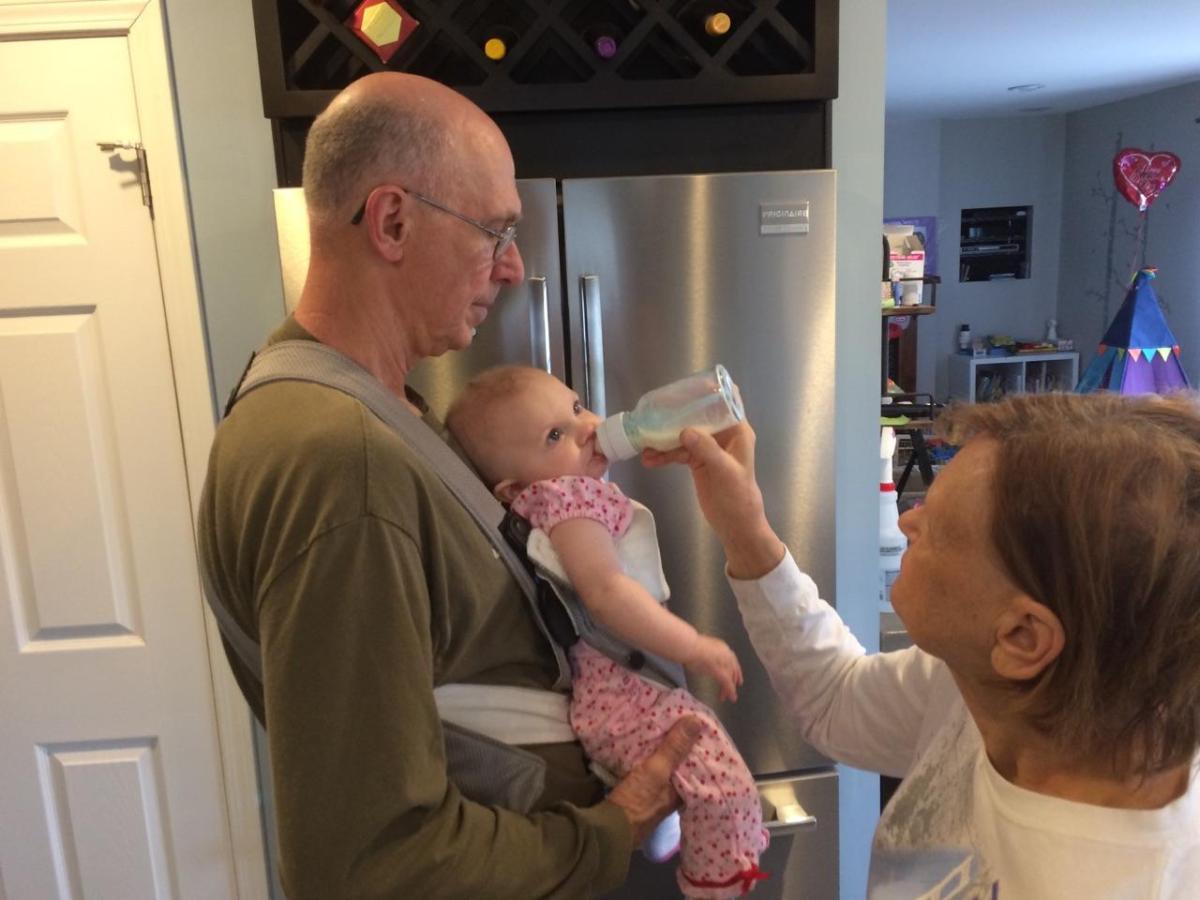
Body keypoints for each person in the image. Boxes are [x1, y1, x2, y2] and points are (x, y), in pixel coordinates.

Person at [197, 72, 700, 898]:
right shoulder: (341, 459)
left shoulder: (380, 413)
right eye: (494, 231)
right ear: (392, 221)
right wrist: (613, 828)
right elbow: (370, 863)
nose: (513, 267)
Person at [645, 391, 1200, 898]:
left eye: (937, 527)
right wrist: (744, 527)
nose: (909, 520)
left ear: (1022, 637)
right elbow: (835, 699)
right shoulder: (992, 688)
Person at [447, 365, 769, 898]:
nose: (586, 428)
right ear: (516, 487)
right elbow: (606, 592)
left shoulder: (562, 496)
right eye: (555, 435)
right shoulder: (567, 502)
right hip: (621, 697)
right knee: (720, 779)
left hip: (622, 690)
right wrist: (694, 645)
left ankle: (701, 852)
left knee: (710, 769)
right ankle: (718, 885)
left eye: (576, 408)